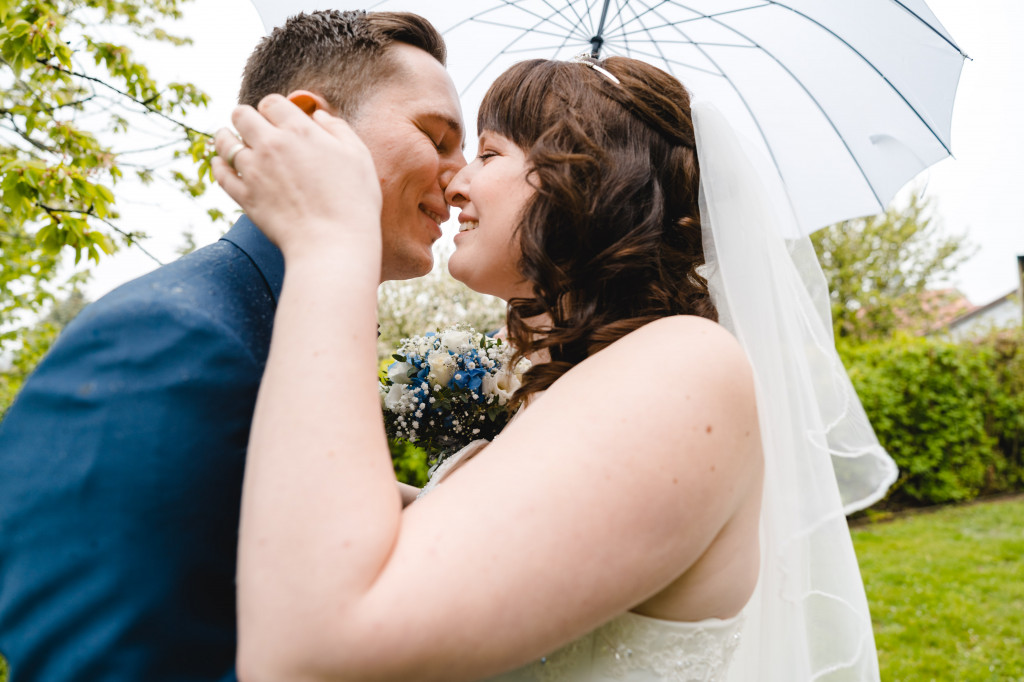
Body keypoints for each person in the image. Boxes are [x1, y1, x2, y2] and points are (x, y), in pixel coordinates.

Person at [214, 55, 897, 681]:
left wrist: (331, 244)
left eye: (487, 152)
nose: (455, 182)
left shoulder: (685, 367)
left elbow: (312, 654)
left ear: (588, 182)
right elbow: (457, 554)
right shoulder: (597, 385)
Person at [0, 11, 464, 682]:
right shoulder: (168, 339)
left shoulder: (296, 330)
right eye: (437, 136)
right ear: (308, 122)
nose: (461, 174)